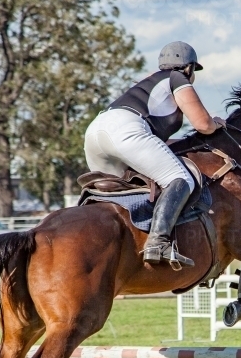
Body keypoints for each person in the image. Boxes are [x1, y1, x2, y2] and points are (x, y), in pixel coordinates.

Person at [84, 41, 224, 267]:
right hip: (126, 130)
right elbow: (203, 124)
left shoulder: (146, 84)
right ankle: (158, 241)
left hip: (95, 133)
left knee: (118, 196)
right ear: (188, 67)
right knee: (181, 179)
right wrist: (216, 124)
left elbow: (155, 144)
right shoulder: (177, 78)